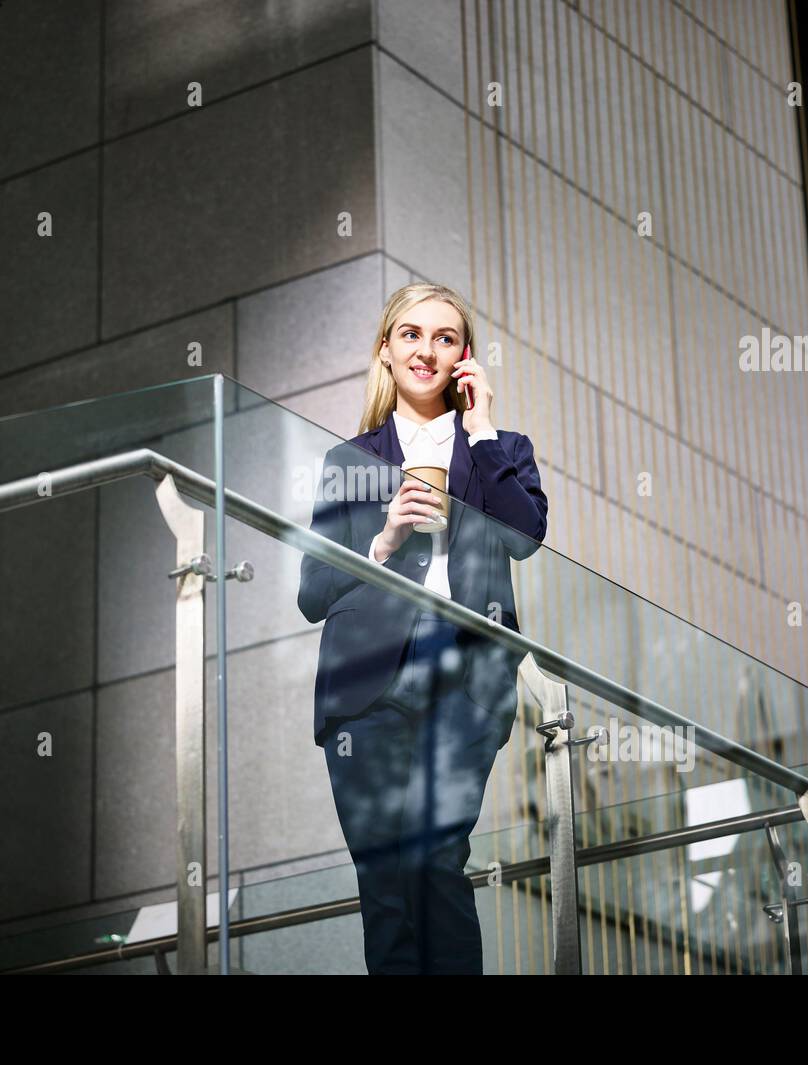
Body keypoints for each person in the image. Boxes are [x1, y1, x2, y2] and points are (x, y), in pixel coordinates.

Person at [297, 283, 548, 974]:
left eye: (445, 337)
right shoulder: (349, 461)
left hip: (465, 675)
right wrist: (383, 541)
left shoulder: (501, 448)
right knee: (384, 872)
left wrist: (482, 428)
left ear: (463, 356)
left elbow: (524, 536)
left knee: (437, 859)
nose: (426, 350)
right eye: (411, 334)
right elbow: (312, 593)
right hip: (367, 680)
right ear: (385, 349)